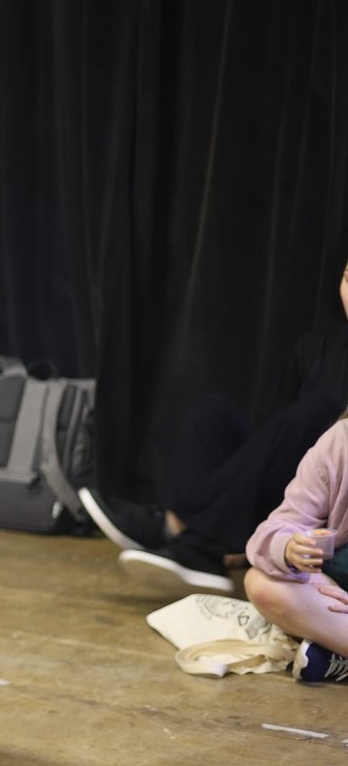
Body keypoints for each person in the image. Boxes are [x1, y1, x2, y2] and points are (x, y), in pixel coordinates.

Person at [82, 262, 348, 595]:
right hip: (282, 498)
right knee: (213, 413)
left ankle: (187, 536)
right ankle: (192, 534)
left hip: (327, 509)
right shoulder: (317, 347)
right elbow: (272, 433)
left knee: (319, 413)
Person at [243, 416, 348, 683]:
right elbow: (280, 525)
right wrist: (288, 547)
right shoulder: (340, 441)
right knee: (261, 583)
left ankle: (332, 653)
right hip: (338, 602)